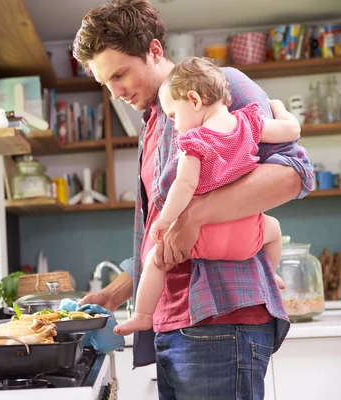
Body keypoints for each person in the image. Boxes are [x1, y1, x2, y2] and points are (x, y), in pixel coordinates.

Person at [72, 1, 314, 399]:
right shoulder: (153, 124)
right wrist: (115, 293)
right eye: (105, 82)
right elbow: (165, 232)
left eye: (120, 73)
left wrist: (198, 215)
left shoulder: (220, 85)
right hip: (174, 326)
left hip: (221, 321)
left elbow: (293, 174)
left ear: (153, 51)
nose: (115, 91)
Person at [114, 57, 300, 336]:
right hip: (248, 237)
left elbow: (184, 185)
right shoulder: (249, 123)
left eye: (175, 115)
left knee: (156, 259)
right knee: (274, 230)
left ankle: (142, 315)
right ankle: (270, 273)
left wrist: (165, 220)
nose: (175, 125)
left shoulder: (194, 142)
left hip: (205, 237)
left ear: (194, 99)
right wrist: (280, 109)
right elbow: (292, 130)